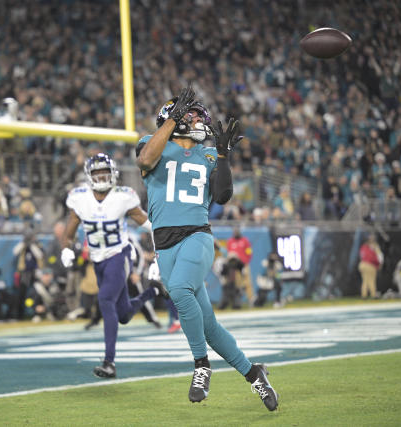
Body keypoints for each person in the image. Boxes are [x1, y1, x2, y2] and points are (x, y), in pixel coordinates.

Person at [135, 86, 278, 411]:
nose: (200, 118)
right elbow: (145, 160)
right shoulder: (151, 143)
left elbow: (223, 196)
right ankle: (255, 374)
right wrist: (171, 121)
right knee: (209, 326)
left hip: (197, 235)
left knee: (182, 290)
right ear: (173, 117)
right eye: (193, 113)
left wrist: (224, 156)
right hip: (165, 246)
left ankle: (201, 366)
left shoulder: (210, 154)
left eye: (200, 114)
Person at [60, 153, 167, 379]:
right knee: (124, 315)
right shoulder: (80, 198)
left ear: (113, 174)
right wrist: (67, 248)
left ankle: (109, 362)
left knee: (105, 300)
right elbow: (69, 229)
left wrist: (161, 241)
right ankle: (154, 290)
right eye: (97, 173)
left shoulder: (123, 197)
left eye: (105, 172)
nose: (101, 177)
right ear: (89, 176)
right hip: (97, 259)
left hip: (119, 254)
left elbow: (148, 224)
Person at [227, 226, 254, 306]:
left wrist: (246, 262)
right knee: (237, 284)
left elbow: (249, 252)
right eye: (234, 232)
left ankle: (251, 299)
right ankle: (238, 301)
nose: (236, 233)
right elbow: (229, 254)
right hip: (235, 267)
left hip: (244, 265)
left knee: (247, 282)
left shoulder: (245, 241)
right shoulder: (230, 242)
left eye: (237, 232)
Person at [358, 233, 383, 299]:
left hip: (362, 264)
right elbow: (380, 256)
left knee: (365, 280)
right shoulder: (375, 246)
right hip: (370, 265)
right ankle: (373, 294)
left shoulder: (363, 247)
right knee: (371, 280)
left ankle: (364, 295)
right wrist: (380, 264)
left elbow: (361, 256)